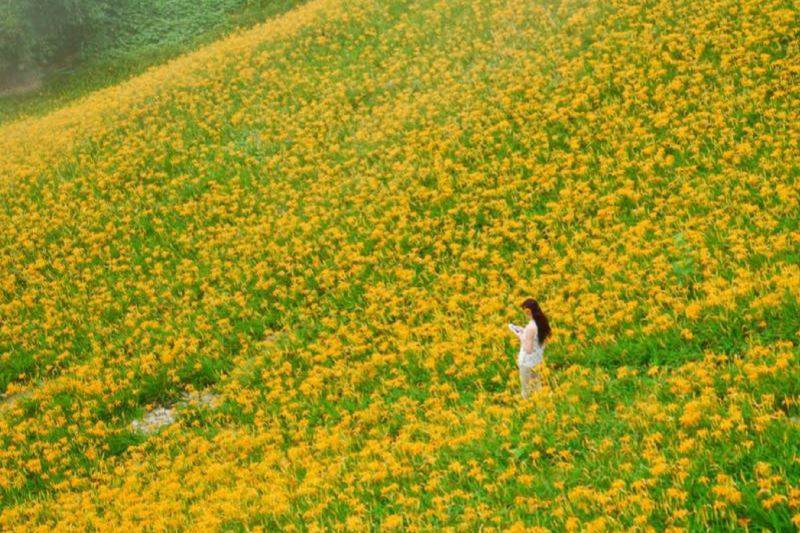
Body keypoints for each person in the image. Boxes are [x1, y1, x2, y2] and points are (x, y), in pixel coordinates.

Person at [508, 298, 551, 398]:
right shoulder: (543, 323)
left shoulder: (531, 327)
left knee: (526, 390)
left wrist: (520, 335)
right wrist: (525, 333)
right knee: (538, 388)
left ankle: (528, 408)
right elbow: (537, 339)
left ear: (528, 311)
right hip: (537, 361)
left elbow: (528, 349)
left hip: (527, 363)